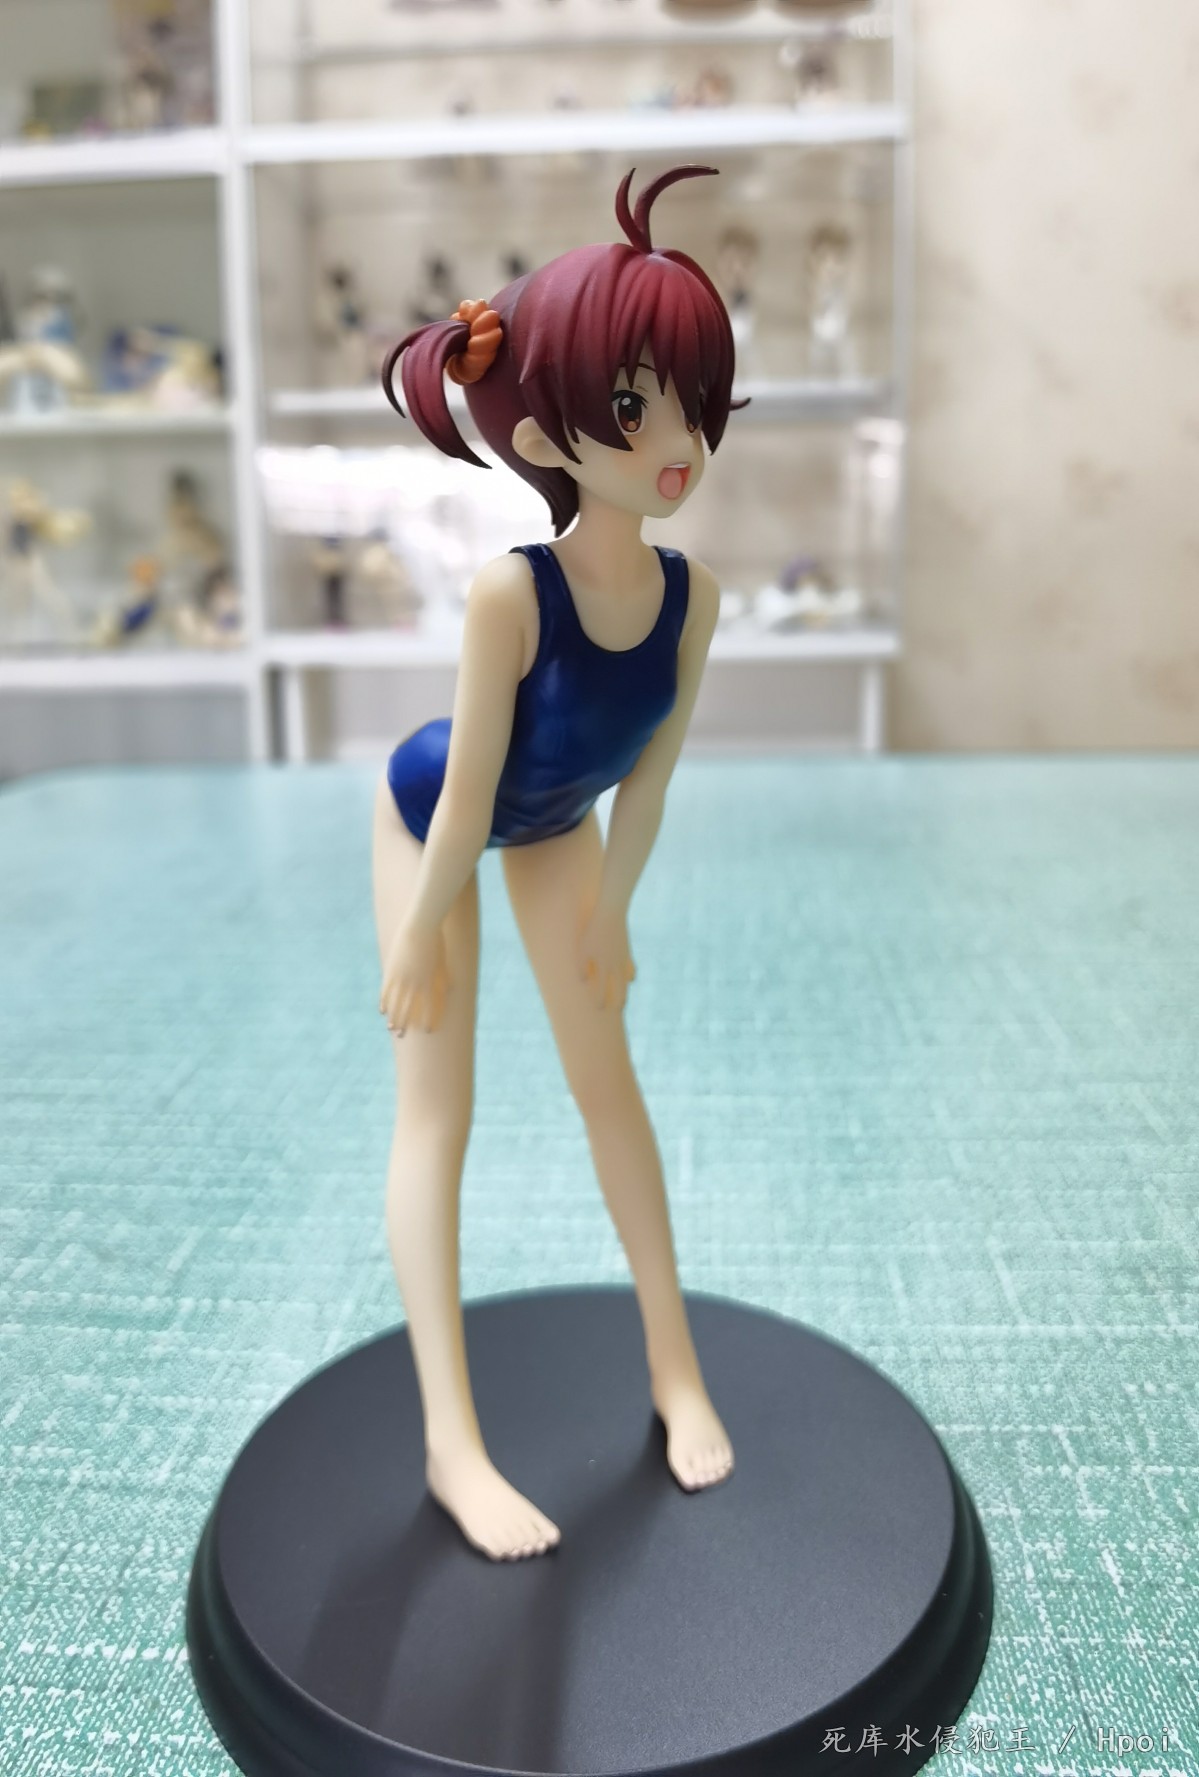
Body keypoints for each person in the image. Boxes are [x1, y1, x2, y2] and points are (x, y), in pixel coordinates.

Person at [374, 164, 746, 1562]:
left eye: (693, 402)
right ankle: (450, 1443)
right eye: (639, 408)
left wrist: (616, 908)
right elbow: (466, 790)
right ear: (546, 434)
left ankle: (675, 1367)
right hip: (434, 823)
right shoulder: (509, 595)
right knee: (440, 1113)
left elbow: (650, 774)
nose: (679, 441)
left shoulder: (693, 597)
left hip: (555, 829)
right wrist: (424, 925)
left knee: (611, 1090)